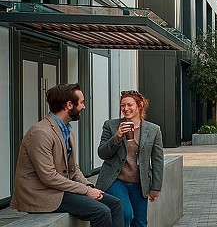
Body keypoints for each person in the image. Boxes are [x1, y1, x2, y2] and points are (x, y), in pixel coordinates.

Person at [11, 83, 123, 227]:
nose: (84, 106)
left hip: (60, 189)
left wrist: (88, 185)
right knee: (101, 211)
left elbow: (73, 169)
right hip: (43, 193)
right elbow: (48, 177)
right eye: (81, 102)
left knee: (115, 203)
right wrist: (86, 190)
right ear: (69, 105)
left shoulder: (67, 130)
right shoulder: (40, 132)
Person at [97, 90, 164, 227]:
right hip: (115, 180)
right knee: (125, 213)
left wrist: (155, 187)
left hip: (139, 183)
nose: (125, 109)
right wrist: (117, 137)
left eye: (129, 105)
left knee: (140, 222)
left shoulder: (153, 130)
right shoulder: (111, 125)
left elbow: (157, 160)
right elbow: (102, 153)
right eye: (122, 105)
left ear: (139, 105)